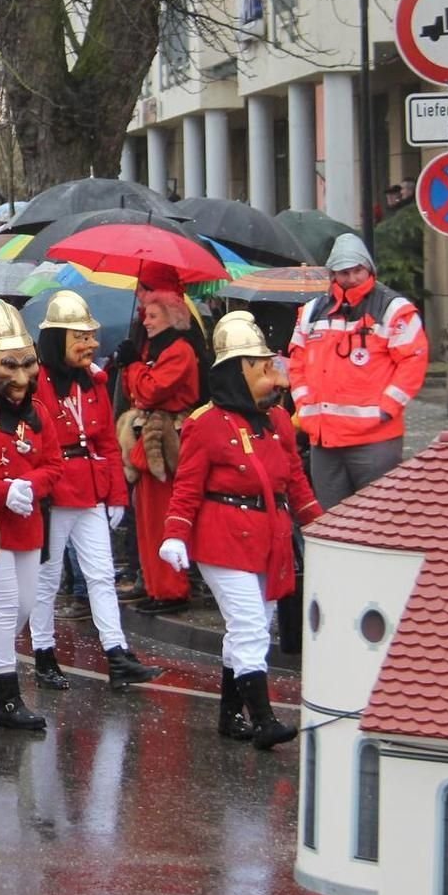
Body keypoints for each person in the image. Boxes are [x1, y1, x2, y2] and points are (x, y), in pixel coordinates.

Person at [160, 312, 322, 750]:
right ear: (237, 372)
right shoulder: (206, 423)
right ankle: (264, 718)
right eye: (260, 367)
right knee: (249, 625)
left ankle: (231, 714)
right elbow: (188, 486)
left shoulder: (279, 422)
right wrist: (175, 533)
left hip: (269, 537)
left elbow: (295, 480)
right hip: (224, 536)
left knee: (254, 627)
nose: (272, 376)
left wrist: (321, 528)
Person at [28, 290, 163, 691]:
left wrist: (117, 494)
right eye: (80, 337)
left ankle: (117, 653)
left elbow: (106, 441)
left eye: (91, 337)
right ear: (58, 339)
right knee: (47, 578)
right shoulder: (39, 383)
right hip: (54, 493)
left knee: (102, 575)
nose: (90, 345)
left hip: (89, 491)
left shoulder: (94, 383)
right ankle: (43, 652)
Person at [287, 233, 428, 508]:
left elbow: (414, 360)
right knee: (331, 523)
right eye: (344, 272)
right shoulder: (311, 312)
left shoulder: (393, 309)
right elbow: (297, 362)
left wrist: (386, 408)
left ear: (369, 269)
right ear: (333, 274)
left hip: (374, 438)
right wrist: (305, 407)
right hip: (324, 439)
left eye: (357, 271)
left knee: (378, 524)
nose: (351, 278)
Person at [0, 301, 58, 733]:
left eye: (28, 365)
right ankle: (8, 700)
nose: (21, 378)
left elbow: (55, 464)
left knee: (24, 607)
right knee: (5, 606)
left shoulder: (40, 414)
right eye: (10, 366)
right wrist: (5, 491)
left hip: (28, 527)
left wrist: (32, 486)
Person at [114, 288, 205, 616]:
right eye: (145, 316)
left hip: (166, 437)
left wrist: (134, 366)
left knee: (162, 514)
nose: (146, 322)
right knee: (148, 517)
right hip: (150, 432)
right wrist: (134, 367)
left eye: (153, 316)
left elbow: (151, 391)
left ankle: (171, 589)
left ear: (172, 318)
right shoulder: (160, 349)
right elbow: (138, 391)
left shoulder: (178, 350)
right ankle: (157, 586)